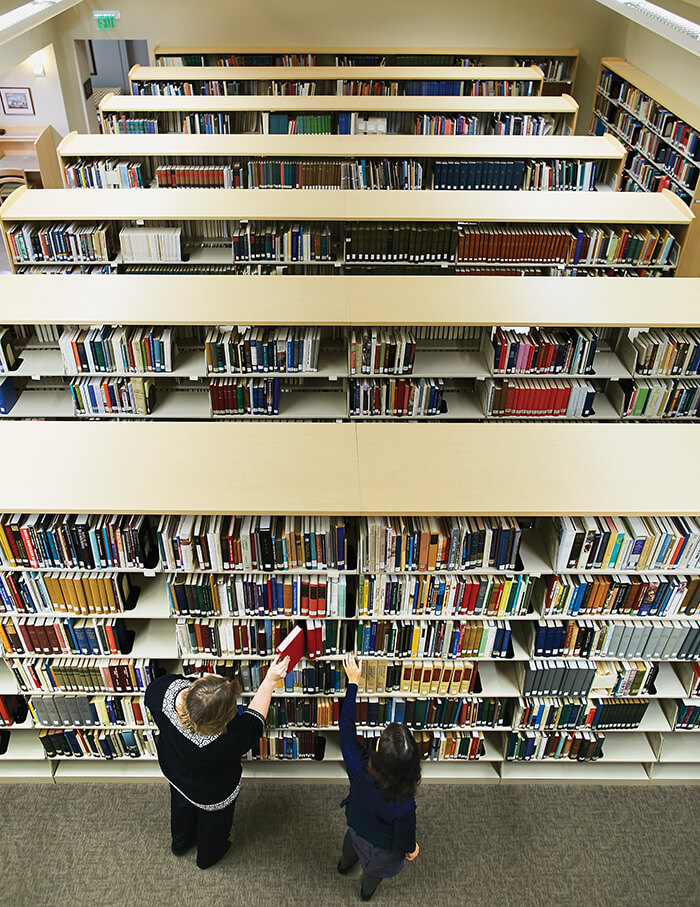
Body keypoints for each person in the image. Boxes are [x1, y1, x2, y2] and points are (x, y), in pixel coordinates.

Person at [145, 654, 289, 869]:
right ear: (225, 718)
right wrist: (269, 681)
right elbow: (254, 721)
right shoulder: (228, 740)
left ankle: (180, 843)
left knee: (181, 806)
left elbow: (156, 692)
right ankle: (208, 857)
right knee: (214, 825)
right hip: (211, 792)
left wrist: (202, 686)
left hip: (175, 772)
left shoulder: (163, 693)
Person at [337, 654, 420, 901]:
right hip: (384, 848)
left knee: (350, 847)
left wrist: (353, 683)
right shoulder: (405, 804)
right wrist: (412, 849)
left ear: (378, 749)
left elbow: (346, 725)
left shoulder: (357, 764)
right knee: (373, 873)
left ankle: (343, 866)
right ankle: (365, 894)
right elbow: (405, 837)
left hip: (357, 825)